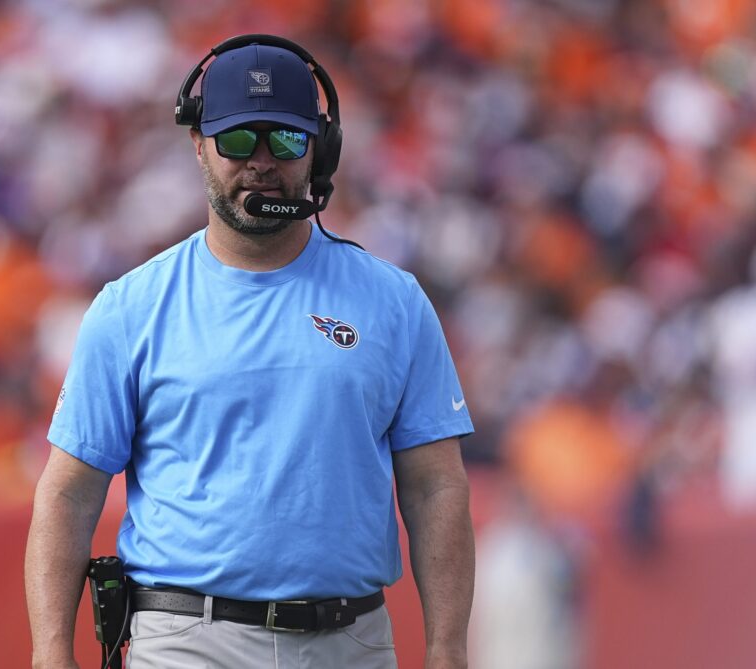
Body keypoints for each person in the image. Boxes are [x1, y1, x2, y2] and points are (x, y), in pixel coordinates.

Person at [25, 34, 476, 669]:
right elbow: (68, 494)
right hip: (186, 640)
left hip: (350, 641)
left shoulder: (394, 302)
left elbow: (435, 487)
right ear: (198, 143)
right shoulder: (130, 308)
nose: (261, 161)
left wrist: (448, 651)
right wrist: (50, 654)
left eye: (285, 140)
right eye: (237, 140)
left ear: (320, 149)